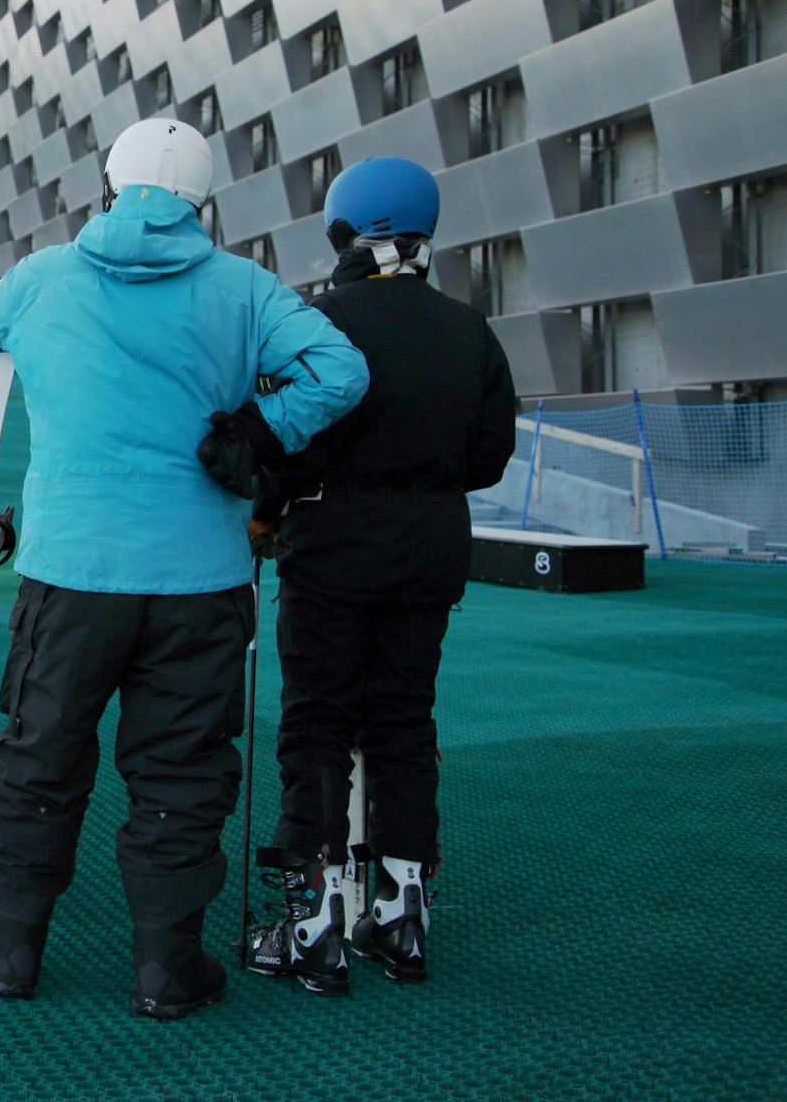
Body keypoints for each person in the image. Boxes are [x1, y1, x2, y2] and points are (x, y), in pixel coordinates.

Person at [0, 117, 368, 1020]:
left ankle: (10, 945)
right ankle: (167, 967)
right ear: (201, 202)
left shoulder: (46, 276)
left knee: (40, 754)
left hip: (71, 573)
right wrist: (260, 431)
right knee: (183, 765)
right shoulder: (243, 288)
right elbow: (341, 369)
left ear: (110, 185)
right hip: (202, 580)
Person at [241, 157, 517, 995]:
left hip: (332, 548)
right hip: (430, 550)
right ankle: (401, 919)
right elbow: (489, 457)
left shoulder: (319, 321)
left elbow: (293, 440)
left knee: (317, 722)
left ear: (344, 231)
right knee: (403, 721)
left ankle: (313, 925)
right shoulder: (470, 328)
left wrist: (268, 506)